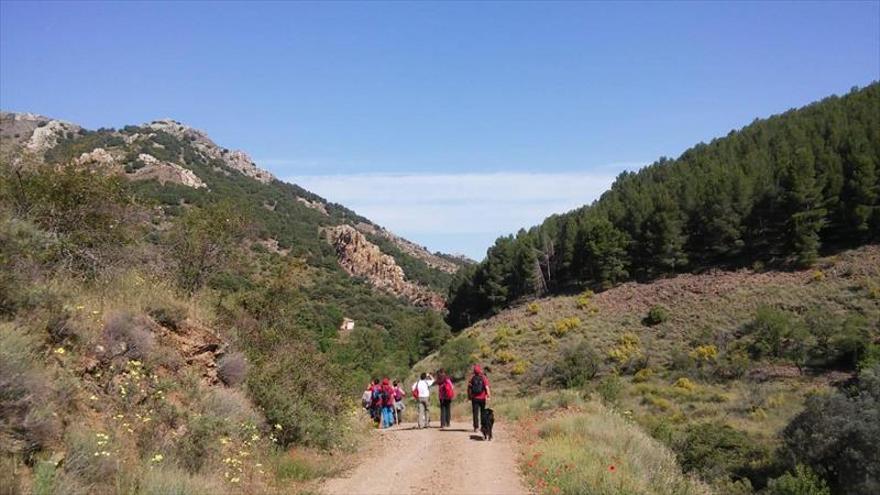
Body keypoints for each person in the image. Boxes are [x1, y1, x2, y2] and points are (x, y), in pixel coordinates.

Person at [467, 365, 490, 433]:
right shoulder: (483, 377)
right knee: (483, 413)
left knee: (475, 413)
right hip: (482, 398)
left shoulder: (472, 378)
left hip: (474, 398)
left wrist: (469, 397)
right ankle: (483, 426)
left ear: (474, 371)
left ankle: (476, 427)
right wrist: (488, 395)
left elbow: (469, 388)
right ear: (480, 370)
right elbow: (486, 387)